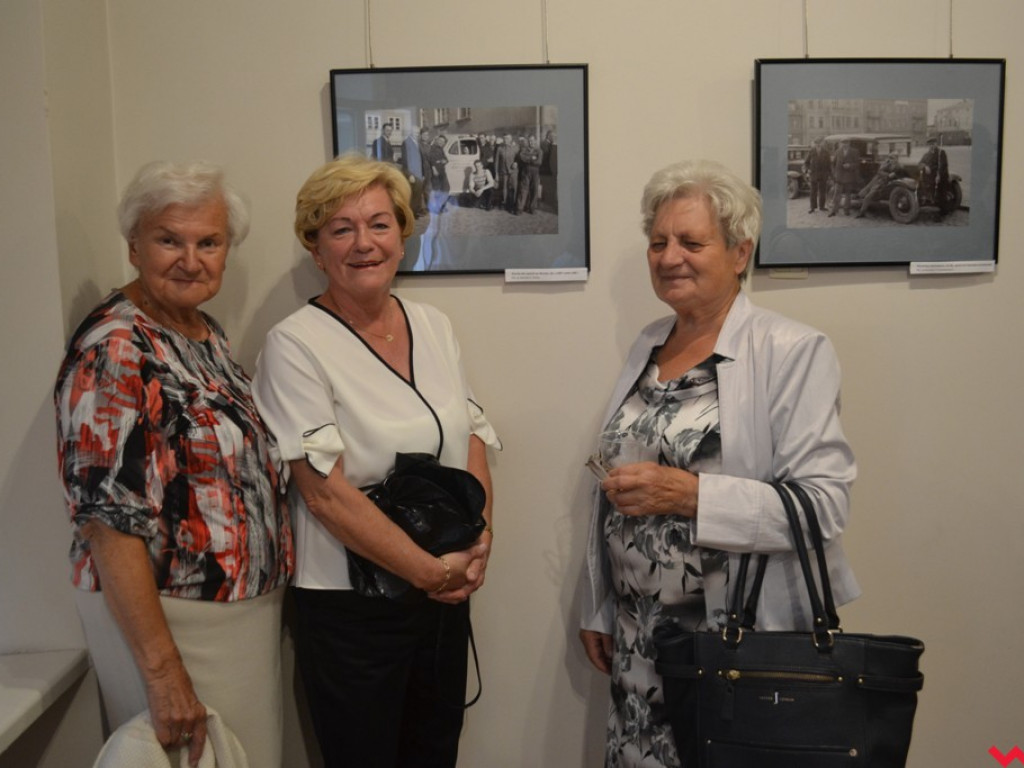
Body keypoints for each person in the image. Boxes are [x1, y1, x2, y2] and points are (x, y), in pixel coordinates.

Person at [578, 159, 858, 768]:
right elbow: (614, 495)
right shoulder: (649, 343)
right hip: (638, 640)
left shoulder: (792, 349)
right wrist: (599, 606)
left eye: (691, 241)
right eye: (658, 242)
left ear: (739, 252)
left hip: (732, 643)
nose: (669, 256)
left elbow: (823, 506)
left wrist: (691, 495)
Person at [252, 153, 500, 768]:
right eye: (342, 229)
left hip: (442, 596)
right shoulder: (295, 344)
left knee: (434, 753)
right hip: (352, 610)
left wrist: (479, 541)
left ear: (403, 235)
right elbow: (323, 494)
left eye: (380, 224)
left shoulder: (433, 324)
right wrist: (430, 572)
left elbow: (469, 434)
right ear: (316, 249)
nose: (364, 243)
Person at [54, 161, 294, 768]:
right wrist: (162, 673)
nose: (191, 259)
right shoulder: (115, 348)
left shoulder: (201, 332)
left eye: (208, 242)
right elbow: (107, 523)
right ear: (133, 245)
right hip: (174, 619)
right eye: (169, 240)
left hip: (234, 615)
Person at [855, 151, 905, 218]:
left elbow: (900, 173)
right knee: (868, 195)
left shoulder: (899, 166)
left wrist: (895, 175)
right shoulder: (887, 164)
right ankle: (862, 212)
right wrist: (888, 175)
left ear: (897, 158)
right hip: (879, 181)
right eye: (891, 158)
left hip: (888, 183)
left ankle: (862, 204)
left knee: (869, 194)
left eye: (894, 158)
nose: (892, 160)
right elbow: (879, 172)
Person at [399, 125, 428, 217]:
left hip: (419, 173)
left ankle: (415, 211)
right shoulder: (406, 142)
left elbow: (420, 159)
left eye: (418, 133)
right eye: (415, 132)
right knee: (412, 194)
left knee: (418, 193)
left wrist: (423, 173)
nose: (417, 134)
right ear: (411, 132)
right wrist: (409, 174)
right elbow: (405, 160)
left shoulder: (417, 143)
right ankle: (411, 213)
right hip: (412, 173)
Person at [828, 137, 861, 217]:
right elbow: (833, 163)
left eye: (846, 143)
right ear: (841, 143)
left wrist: (850, 165)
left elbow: (857, 164)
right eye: (843, 143)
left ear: (849, 143)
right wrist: (834, 173)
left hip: (849, 176)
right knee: (837, 193)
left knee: (848, 194)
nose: (844, 144)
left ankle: (846, 210)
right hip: (839, 176)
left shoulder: (854, 151)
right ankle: (834, 210)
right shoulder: (837, 151)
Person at [917, 137, 949, 208]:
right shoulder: (926, 155)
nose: (931, 146)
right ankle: (926, 200)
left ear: (936, 144)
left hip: (940, 176)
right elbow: (919, 164)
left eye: (933, 144)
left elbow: (943, 165)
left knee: (941, 193)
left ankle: (943, 209)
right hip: (929, 177)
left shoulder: (941, 153)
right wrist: (925, 166)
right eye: (930, 144)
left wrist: (939, 175)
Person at [802, 137, 831, 213]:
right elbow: (806, 162)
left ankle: (822, 207)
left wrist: (829, 174)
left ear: (822, 143)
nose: (818, 145)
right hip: (814, 174)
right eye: (816, 143)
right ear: (815, 144)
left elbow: (829, 164)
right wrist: (808, 169)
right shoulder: (811, 151)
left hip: (823, 175)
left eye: (819, 143)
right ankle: (812, 207)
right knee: (813, 191)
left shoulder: (826, 152)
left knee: (822, 191)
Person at [516, 134, 543, 214]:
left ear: (535, 141)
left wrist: (528, 159)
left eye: (532, 140)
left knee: (534, 190)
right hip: (525, 171)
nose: (531, 142)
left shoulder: (539, 151)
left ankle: (532, 208)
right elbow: (522, 157)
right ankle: (520, 208)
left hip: (535, 172)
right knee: (523, 190)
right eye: (530, 140)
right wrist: (532, 158)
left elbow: (539, 162)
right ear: (528, 141)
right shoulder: (524, 150)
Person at [494, 133, 519, 213]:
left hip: (513, 172)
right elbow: (496, 161)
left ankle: (512, 204)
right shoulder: (500, 148)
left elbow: (519, 157)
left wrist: (516, 162)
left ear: (511, 139)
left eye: (507, 138)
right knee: (504, 188)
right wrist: (496, 173)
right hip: (503, 171)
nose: (505, 140)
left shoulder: (515, 147)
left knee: (513, 188)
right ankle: (504, 203)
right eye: (504, 138)